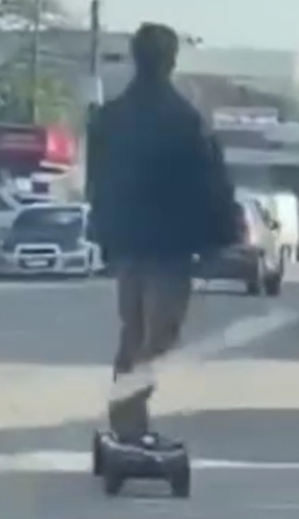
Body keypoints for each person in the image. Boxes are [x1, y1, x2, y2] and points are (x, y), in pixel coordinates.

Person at [86, 22, 238, 447]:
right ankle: (129, 413)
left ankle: (127, 418)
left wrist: (103, 233)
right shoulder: (184, 120)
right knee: (160, 335)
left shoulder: (110, 117)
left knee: (133, 329)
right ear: (170, 61)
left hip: (128, 243)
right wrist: (217, 241)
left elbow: (97, 183)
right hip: (168, 248)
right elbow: (208, 184)